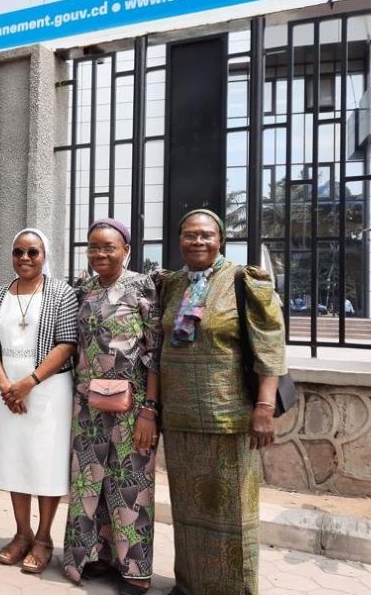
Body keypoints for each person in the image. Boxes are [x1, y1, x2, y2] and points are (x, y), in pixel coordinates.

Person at [157, 209, 287, 595]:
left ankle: (237, 589)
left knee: (233, 513)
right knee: (188, 511)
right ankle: (190, 586)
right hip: (179, 418)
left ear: (221, 240)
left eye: (206, 235)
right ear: (180, 239)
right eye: (190, 235)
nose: (198, 241)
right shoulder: (171, 284)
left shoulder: (242, 281)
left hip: (230, 417)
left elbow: (270, 345)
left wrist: (264, 408)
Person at [62, 219, 163, 593]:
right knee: (89, 482)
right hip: (88, 405)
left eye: (109, 247)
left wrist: (150, 409)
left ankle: (136, 570)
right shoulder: (83, 290)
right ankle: (93, 558)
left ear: (126, 250)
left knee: (130, 484)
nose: (100, 254)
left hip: (133, 407)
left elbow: (155, 353)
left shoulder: (143, 287)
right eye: (94, 247)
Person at [0, 228, 78, 574]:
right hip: (7, 395)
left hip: (48, 392)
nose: (24, 258)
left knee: (45, 462)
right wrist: (8, 386)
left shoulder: (61, 293)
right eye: (18, 251)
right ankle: (21, 534)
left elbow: (66, 343)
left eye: (32, 252)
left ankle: (44, 538)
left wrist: (28, 383)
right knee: (16, 460)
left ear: (44, 255)